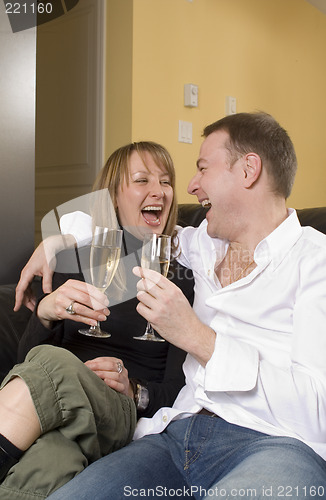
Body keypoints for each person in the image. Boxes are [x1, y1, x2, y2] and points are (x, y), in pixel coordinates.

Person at [47, 112, 326, 500]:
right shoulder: (197, 244)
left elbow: (319, 411)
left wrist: (199, 339)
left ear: (248, 170)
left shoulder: (317, 262)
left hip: (276, 445)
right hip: (173, 436)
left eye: (202, 169)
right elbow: (124, 227)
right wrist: (54, 243)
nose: (190, 186)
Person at [0, 142, 194, 500]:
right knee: (48, 461)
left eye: (166, 182)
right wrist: (43, 314)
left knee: (58, 363)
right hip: (60, 412)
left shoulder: (181, 274)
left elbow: (180, 390)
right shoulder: (72, 259)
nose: (159, 191)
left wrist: (136, 391)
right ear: (113, 198)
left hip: (117, 410)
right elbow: (23, 368)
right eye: (142, 180)